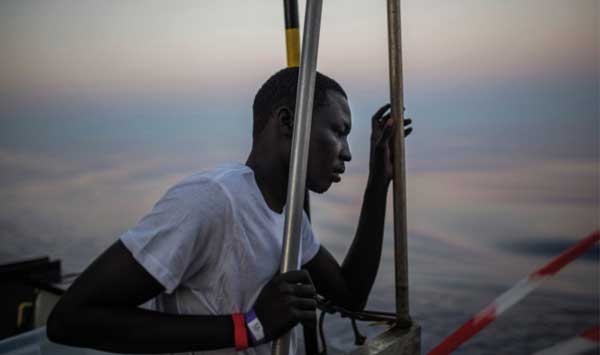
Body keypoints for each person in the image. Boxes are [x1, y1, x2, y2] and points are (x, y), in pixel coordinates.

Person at [46, 68, 413, 355]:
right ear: (288, 123)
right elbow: (72, 319)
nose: (347, 152)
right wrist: (249, 326)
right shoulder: (211, 200)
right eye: (338, 131)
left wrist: (379, 183)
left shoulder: (290, 218)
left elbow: (350, 294)